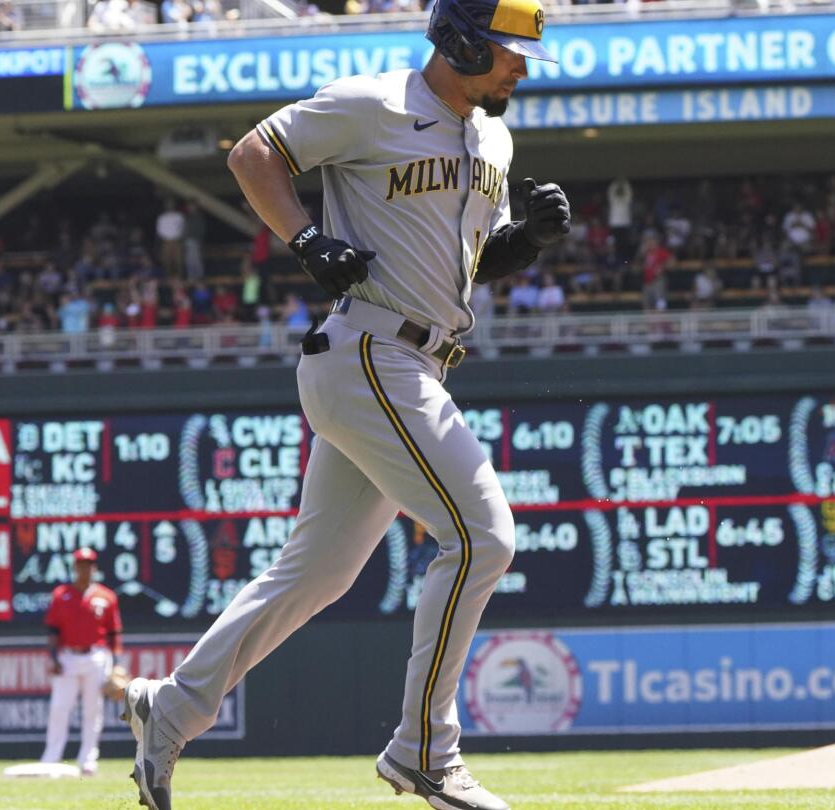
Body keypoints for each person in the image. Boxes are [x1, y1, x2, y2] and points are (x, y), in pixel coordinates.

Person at [119, 1, 568, 808]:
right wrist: (301, 237)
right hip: (371, 351)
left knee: (315, 573)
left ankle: (171, 706)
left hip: (416, 362)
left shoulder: (492, 137)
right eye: (507, 52)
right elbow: (254, 154)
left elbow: (466, 265)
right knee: (482, 539)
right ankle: (424, 752)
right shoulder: (374, 103)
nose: (521, 68)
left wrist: (524, 242)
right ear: (462, 40)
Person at [41, 548, 121, 777]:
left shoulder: (106, 596)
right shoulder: (61, 594)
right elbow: (53, 630)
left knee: (92, 710)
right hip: (68, 656)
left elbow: (114, 633)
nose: (85, 568)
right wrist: (54, 658)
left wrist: (116, 664)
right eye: (81, 564)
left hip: (96, 656)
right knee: (59, 708)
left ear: (94, 567)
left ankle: (88, 759)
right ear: (75, 567)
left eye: (89, 564)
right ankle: (52, 758)